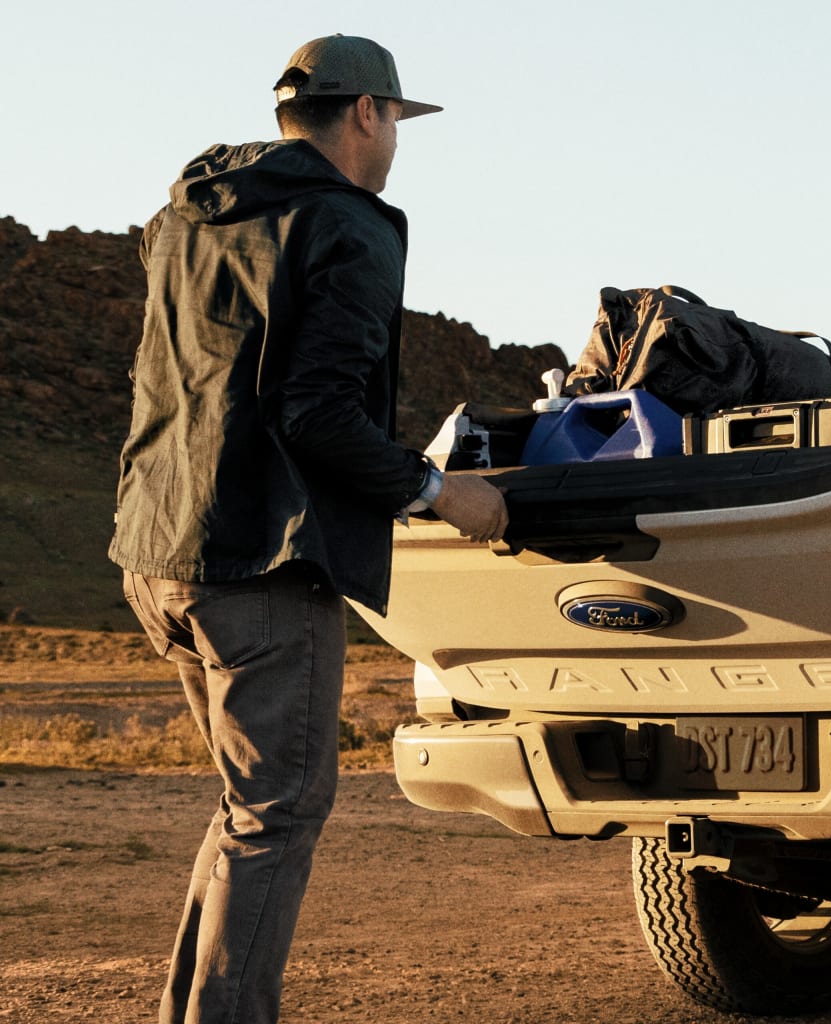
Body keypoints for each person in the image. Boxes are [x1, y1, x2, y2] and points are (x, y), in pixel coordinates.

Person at [108, 34, 508, 1024]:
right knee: (278, 814)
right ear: (366, 113)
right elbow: (320, 414)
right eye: (396, 125)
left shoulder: (186, 216)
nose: (394, 145)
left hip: (158, 551)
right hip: (262, 565)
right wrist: (438, 493)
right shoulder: (343, 224)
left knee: (249, 809)